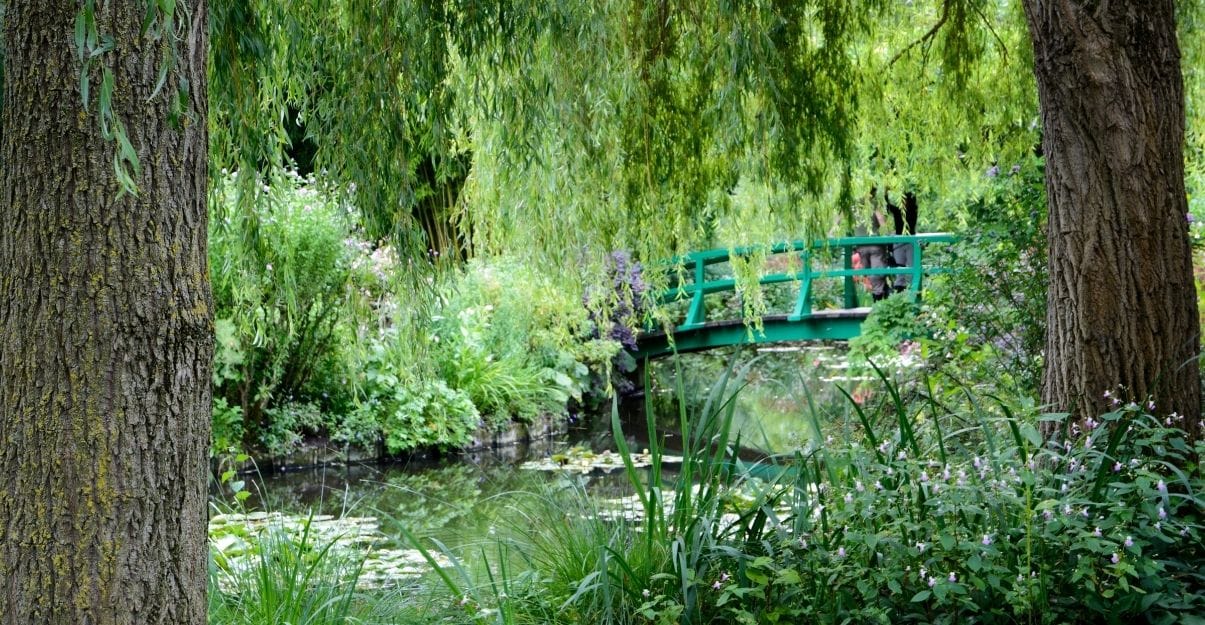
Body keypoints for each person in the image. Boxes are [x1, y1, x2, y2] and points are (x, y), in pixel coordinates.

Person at [854, 187, 890, 301]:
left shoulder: (853, 204)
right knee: (876, 273)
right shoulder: (874, 203)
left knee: (870, 273)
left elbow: (838, 218)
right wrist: (887, 235)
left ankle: (879, 297)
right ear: (873, 192)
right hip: (875, 245)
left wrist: (831, 234)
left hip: (861, 245)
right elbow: (881, 221)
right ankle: (879, 299)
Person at [885, 190, 919, 293]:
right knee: (910, 264)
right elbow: (888, 206)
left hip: (903, 240)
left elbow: (887, 206)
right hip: (908, 240)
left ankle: (903, 285)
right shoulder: (913, 211)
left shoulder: (900, 211)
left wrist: (885, 193)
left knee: (901, 264)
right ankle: (910, 285)